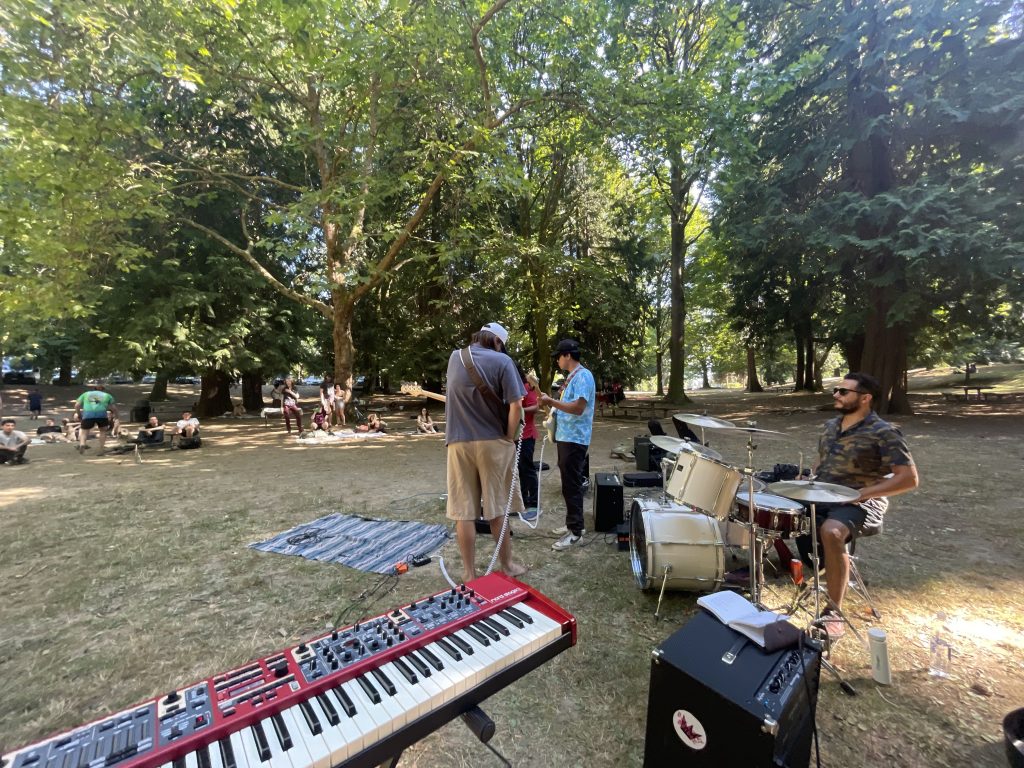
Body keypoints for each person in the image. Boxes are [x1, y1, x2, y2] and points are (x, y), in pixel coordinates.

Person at [800, 371, 918, 639]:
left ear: (865, 398)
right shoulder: (831, 426)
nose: (836, 395)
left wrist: (862, 494)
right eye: (836, 390)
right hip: (824, 493)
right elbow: (824, 461)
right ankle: (754, 575)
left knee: (831, 532)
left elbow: (908, 478)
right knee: (765, 504)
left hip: (864, 501)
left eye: (844, 392)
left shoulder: (884, 432)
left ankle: (833, 611)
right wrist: (809, 478)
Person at [444, 322, 528, 581]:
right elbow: (516, 407)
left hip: (458, 442)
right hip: (492, 442)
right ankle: (508, 566)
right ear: (497, 342)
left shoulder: (455, 357)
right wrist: (508, 437)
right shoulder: (503, 361)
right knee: (497, 507)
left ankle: (469, 573)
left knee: (464, 511)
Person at [538, 338, 596, 551]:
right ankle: (573, 523)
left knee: (571, 484)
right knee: (568, 483)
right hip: (566, 437)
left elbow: (578, 407)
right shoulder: (572, 378)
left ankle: (576, 532)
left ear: (568, 356)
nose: (556, 361)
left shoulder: (583, 376)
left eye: (558, 357)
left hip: (575, 438)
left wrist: (551, 402)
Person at [517, 373, 540, 519]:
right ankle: (523, 500)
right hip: (516, 436)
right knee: (519, 470)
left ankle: (534, 502)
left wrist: (518, 411)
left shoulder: (526, 387)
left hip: (527, 435)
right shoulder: (513, 387)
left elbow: (536, 407)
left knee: (527, 469)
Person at [74, 384, 117, 455]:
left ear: (94, 389)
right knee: (103, 431)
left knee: (84, 431)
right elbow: (114, 408)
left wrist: (79, 414)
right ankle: (101, 448)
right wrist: (116, 416)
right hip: (102, 415)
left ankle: (82, 444)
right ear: (103, 389)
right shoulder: (107, 395)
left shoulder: (86, 394)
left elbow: (77, 405)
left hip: (88, 415)